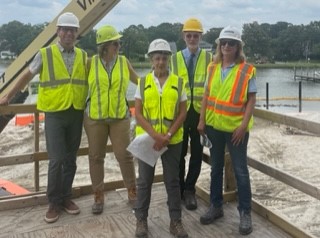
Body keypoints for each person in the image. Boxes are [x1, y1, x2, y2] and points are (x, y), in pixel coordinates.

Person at [0, 12, 88, 223]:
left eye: (72, 30)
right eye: (65, 29)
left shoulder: (83, 56)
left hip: (75, 113)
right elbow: (27, 75)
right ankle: (53, 202)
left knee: (70, 160)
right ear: (58, 32)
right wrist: (8, 96)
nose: (68, 33)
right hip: (54, 114)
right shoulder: (45, 53)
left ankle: (66, 198)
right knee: (56, 160)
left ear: (77, 34)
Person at [197, 26, 257, 235]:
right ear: (219, 45)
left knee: (240, 171)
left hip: (235, 130)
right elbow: (206, 95)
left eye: (231, 43)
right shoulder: (212, 68)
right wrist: (202, 120)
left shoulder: (247, 70)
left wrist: (242, 126)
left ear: (238, 46)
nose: (226, 46)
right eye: (223, 43)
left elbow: (251, 101)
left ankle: (245, 212)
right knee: (215, 168)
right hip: (214, 127)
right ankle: (216, 206)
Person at [134, 39, 188, 238]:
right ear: (151, 59)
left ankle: (176, 222)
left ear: (169, 59)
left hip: (172, 141)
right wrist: (156, 136)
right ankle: (141, 221)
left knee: (172, 181)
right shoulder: (142, 82)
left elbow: (182, 113)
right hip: (148, 140)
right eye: (157, 58)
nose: (161, 62)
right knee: (144, 181)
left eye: (164, 58)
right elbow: (138, 114)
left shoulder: (178, 82)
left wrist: (167, 136)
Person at [84, 25, 138, 215]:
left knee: (125, 156)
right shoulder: (90, 63)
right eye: (115, 43)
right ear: (105, 46)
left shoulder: (123, 62)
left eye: (119, 42)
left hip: (119, 117)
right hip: (95, 118)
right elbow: (77, 84)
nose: (119, 45)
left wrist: (158, 88)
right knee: (96, 157)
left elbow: (139, 82)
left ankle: (133, 193)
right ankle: (98, 195)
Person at [170, 18, 212, 210]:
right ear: (184, 37)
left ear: (201, 36)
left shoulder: (209, 59)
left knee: (196, 154)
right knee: (178, 154)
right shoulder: (174, 59)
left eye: (196, 35)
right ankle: (178, 190)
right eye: (189, 35)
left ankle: (189, 191)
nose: (192, 38)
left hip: (199, 114)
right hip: (180, 112)